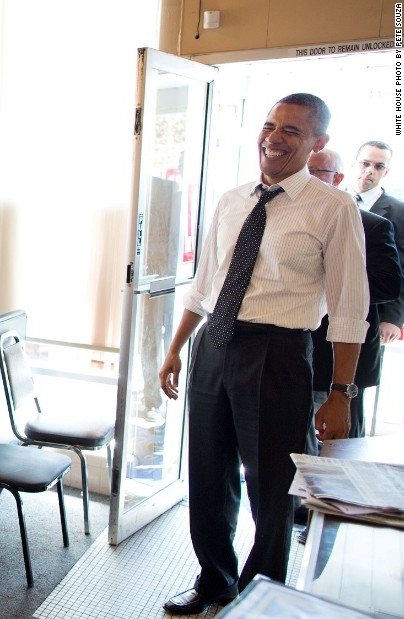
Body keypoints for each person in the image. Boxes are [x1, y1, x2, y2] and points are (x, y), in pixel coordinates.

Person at [157, 93, 369, 615]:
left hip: (277, 353)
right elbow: (205, 284)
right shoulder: (232, 199)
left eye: (292, 131)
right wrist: (177, 348)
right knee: (208, 474)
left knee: (272, 487)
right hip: (216, 343)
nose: (274, 137)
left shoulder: (334, 207)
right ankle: (214, 581)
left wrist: (341, 393)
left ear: (318, 143)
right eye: (271, 126)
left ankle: (261, 595)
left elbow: (348, 306)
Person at [309, 149, 402, 441]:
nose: (306, 179)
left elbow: (390, 283)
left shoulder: (373, 223)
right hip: (294, 349)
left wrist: (337, 287)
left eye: (316, 173)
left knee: (338, 441)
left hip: (344, 348)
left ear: (337, 178)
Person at [349, 140, 404, 345]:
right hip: (326, 307)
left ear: (386, 172)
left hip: (374, 310)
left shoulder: (399, 212)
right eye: (365, 163)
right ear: (354, 164)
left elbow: (401, 268)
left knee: (361, 375)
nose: (370, 170)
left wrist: (393, 318)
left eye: (378, 166)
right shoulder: (333, 201)